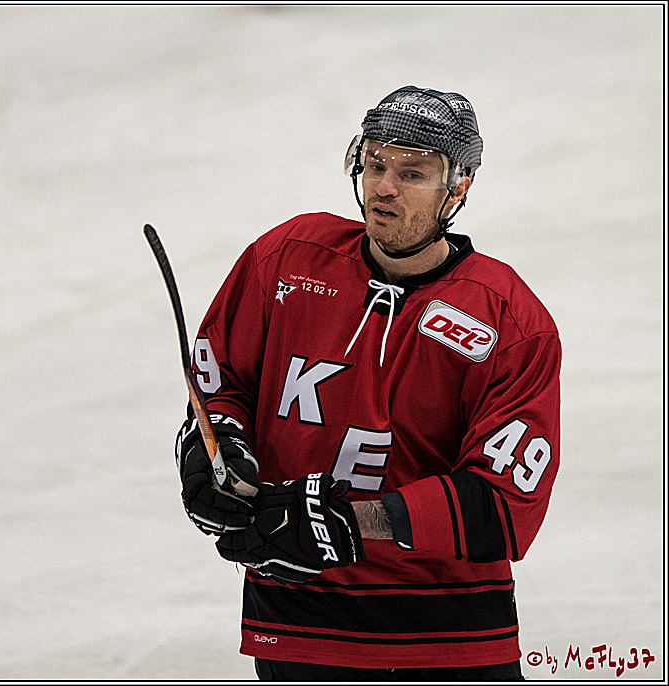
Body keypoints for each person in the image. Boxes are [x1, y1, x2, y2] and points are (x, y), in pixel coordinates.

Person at [173, 85, 560, 681]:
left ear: (457, 188)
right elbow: (220, 388)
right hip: (298, 621)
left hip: (446, 638)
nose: (383, 187)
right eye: (376, 163)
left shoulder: (506, 319)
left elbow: (502, 506)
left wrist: (351, 524)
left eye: (412, 173)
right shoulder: (287, 259)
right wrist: (216, 452)